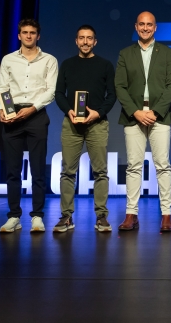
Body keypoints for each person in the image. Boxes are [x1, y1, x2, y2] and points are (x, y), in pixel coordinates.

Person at [115, 11, 171, 232]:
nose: (145, 28)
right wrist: (136, 112)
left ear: (155, 27)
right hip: (134, 116)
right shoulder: (125, 54)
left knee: (163, 165)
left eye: (149, 24)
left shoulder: (167, 53)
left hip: (160, 115)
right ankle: (131, 214)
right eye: (141, 24)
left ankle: (166, 214)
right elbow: (120, 86)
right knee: (133, 166)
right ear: (136, 26)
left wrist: (156, 111)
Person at [0, 19, 58, 233]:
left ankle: (37, 216)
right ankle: (14, 216)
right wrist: (2, 110)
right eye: (25, 32)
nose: (29, 36)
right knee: (12, 170)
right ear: (19, 35)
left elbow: (51, 91)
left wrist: (32, 109)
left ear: (38, 36)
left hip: (36, 115)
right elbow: (2, 88)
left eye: (32, 32)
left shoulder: (49, 60)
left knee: (38, 169)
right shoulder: (8, 59)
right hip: (12, 113)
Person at [54, 25, 116, 233]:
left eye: (89, 38)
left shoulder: (105, 65)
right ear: (76, 41)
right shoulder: (67, 64)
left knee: (100, 172)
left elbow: (112, 95)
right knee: (67, 172)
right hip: (71, 123)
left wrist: (98, 113)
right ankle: (66, 216)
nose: (86, 42)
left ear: (95, 42)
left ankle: (101, 216)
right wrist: (69, 111)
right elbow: (59, 93)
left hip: (97, 123)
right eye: (82, 38)